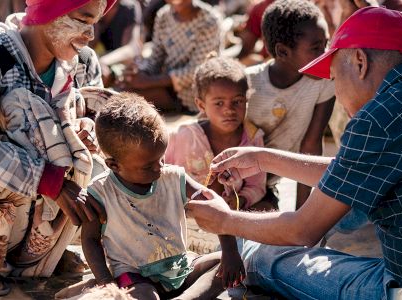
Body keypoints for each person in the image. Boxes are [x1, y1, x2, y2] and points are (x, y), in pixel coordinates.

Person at [186, 8, 402, 298]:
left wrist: (226, 220)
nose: (336, 90)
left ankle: (240, 255)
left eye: (335, 77)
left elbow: (302, 231)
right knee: (346, 211)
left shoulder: (379, 116)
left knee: (265, 255)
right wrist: (264, 158)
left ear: (359, 61)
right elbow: (350, 172)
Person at [0, 0, 117, 296]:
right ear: (49, 13)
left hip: (37, 201)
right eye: (82, 19)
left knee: (96, 163)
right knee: (29, 127)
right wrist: (48, 181)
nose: (90, 34)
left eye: (94, 22)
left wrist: (88, 130)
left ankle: (36, 257)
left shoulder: (83, 61)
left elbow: (98, 115)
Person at [79, 93, 245, 299]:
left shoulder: (173, 177)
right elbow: (90, 239)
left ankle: (187, 297)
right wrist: (106, 282)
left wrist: (230, 251)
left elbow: (214, 206)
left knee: (225, 262)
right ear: (114, 165)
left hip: (181, 267)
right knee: (146, 295)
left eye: (162, 158)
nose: (159, 168)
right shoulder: (101, 193)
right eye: (149, 166)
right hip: (135, 276)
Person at [246, 0, 335, 209]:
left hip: (266, 184)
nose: (326, 55)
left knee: (266, 212)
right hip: (234, 176)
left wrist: (301, 213)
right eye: (316, 48)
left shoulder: (323, 84)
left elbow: (311, 147)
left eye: (326, 44)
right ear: (283, 52)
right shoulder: (249, 85)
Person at [165, 55, 271, 211]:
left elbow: (257, 185)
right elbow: (163, 173)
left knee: (267, 208)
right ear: (201, 105)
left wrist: (240, 200)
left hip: (228, 217)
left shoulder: (253, 140)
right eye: (219, 103)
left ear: (247, 100)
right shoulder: (183, 136)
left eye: (237, 101)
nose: (229, 110)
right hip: (186, 215)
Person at [118, 0, 221, 113]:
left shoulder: (209, 20)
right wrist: (139, 74)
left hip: (192, 92)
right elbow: (155, 59)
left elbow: (196, 71)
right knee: (125, 88)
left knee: (128, 97)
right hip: (163, 83)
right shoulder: (163, 15)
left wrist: (149, 81)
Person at [90, 0, 143, 86]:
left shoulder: (129, 7)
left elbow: (131, 48)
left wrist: (103, 61)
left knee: (102, 73)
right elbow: (90, 44)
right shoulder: (93, 6)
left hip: (119, 62)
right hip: (98, 59)